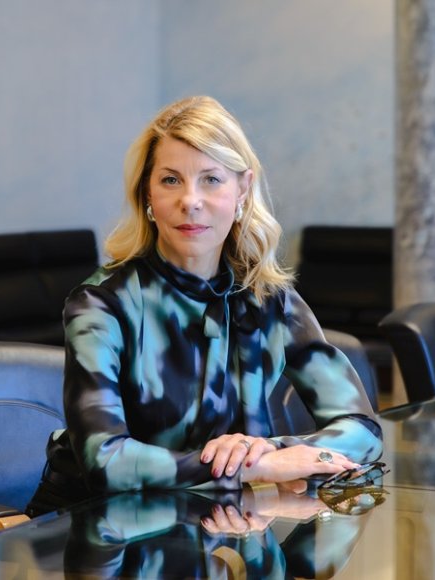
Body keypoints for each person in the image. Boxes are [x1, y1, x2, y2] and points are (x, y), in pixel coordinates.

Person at [26, 96, 382, 516]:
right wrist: (252, 468)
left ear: (242, 189)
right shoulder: (101, 304)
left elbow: (363, 429)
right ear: (147, 194)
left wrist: (270, 450)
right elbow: (105, 462)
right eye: (171, 180)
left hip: (217, 523)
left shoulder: (270, 298)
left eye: (211, 179)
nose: (190, 200)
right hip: (98, 527)